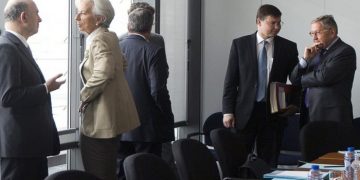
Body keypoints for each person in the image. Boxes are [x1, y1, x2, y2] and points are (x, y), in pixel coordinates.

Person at [222, 4, 299, 167]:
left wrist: (294, 105)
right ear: (259, 22)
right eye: (273, 23)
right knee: (239, 161)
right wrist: (227, 111)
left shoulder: (288, 47)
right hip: (244, 113)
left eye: (279, 23)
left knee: (269, 162)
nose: (277, 27)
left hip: (274, 113)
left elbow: (296, 80)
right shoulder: (239, 45)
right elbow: (230, 80)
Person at [0, 0, 66, 179]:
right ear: (23, 17)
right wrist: (45, 88)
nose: (40, 19)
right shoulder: (6, 47)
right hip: (20, 150)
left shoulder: (17, 45)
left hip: (28, 147)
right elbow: (7, 97)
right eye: (37, 13)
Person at [75, 0, 140, 179]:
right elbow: (122, 64)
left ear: (99, 18)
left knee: (98, 172)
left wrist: (84, 97)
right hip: (111, 118)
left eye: (82, 13)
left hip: (100, 122)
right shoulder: (110, 36)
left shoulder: (99, 39)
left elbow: (104, 72)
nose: (76, 18)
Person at [117, 8, 174, 180]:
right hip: (147, 128)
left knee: (121, 173)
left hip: (120, 125)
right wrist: (166, 115)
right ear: (150, 26)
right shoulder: (154, 50)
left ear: (128, 25)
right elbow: (157, 90)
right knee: (147, 172)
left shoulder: (116, 48)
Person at [290, 15, 356, 127]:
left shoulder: (345, 51)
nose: (314, 37)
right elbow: (293, 78)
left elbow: (324, 77)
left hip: (331, 117)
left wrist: (299, 80)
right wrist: (305, 59)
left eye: (317, 33)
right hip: (309, 114)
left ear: (332, 31)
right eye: (312, 33)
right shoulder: (315, 53)